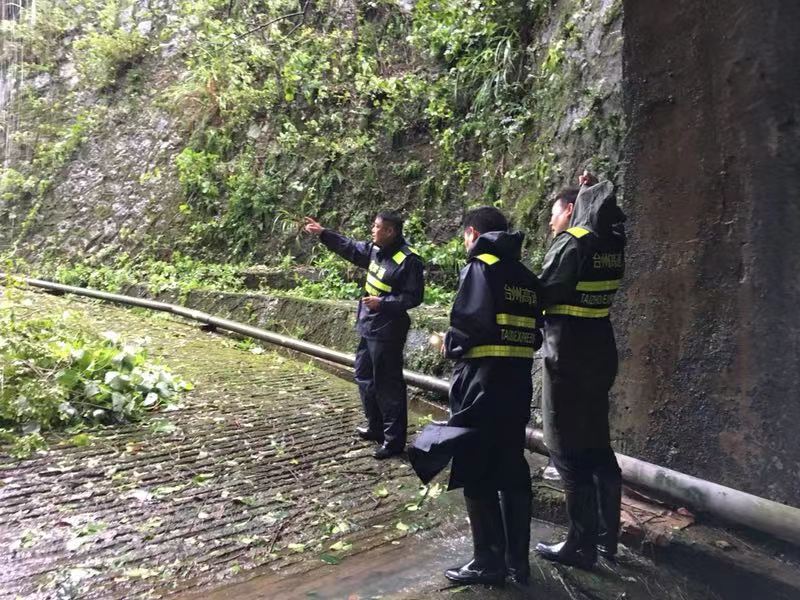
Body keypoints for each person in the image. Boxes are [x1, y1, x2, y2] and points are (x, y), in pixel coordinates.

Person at [438, 206, 543, 586]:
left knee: (476, 466)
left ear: (472, 233)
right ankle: (518, 563)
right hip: (516, 384)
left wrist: (448, 344)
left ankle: (488, 562)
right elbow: (535, 335)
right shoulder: (525, 276)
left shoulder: (479, 267)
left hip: (481, 384)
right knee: (512, 467)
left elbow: (469, 325)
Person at [534, 172, 626, 569]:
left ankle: (580, 545)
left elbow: (544, 291)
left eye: (554, 214)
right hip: (600, 349)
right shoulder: (613, 241)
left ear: (570, 210)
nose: (551, 222)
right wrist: (595, 186)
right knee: (598, 445)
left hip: (567, 353)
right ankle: (607, 540)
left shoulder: (572, 242)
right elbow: (608, 211)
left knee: (566, 449)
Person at [303, 212, 424, 459]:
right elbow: (349, 247)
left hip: (388, 330)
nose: (372, 230)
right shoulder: (375, 250)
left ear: (390, 231)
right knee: (364, 376)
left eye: (377, 227)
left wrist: (384, 303)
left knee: (387, 385)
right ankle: (375, 426)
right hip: (368, 325)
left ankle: (393, 441)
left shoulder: (408, 260)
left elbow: (413, 297)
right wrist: (323, 233)